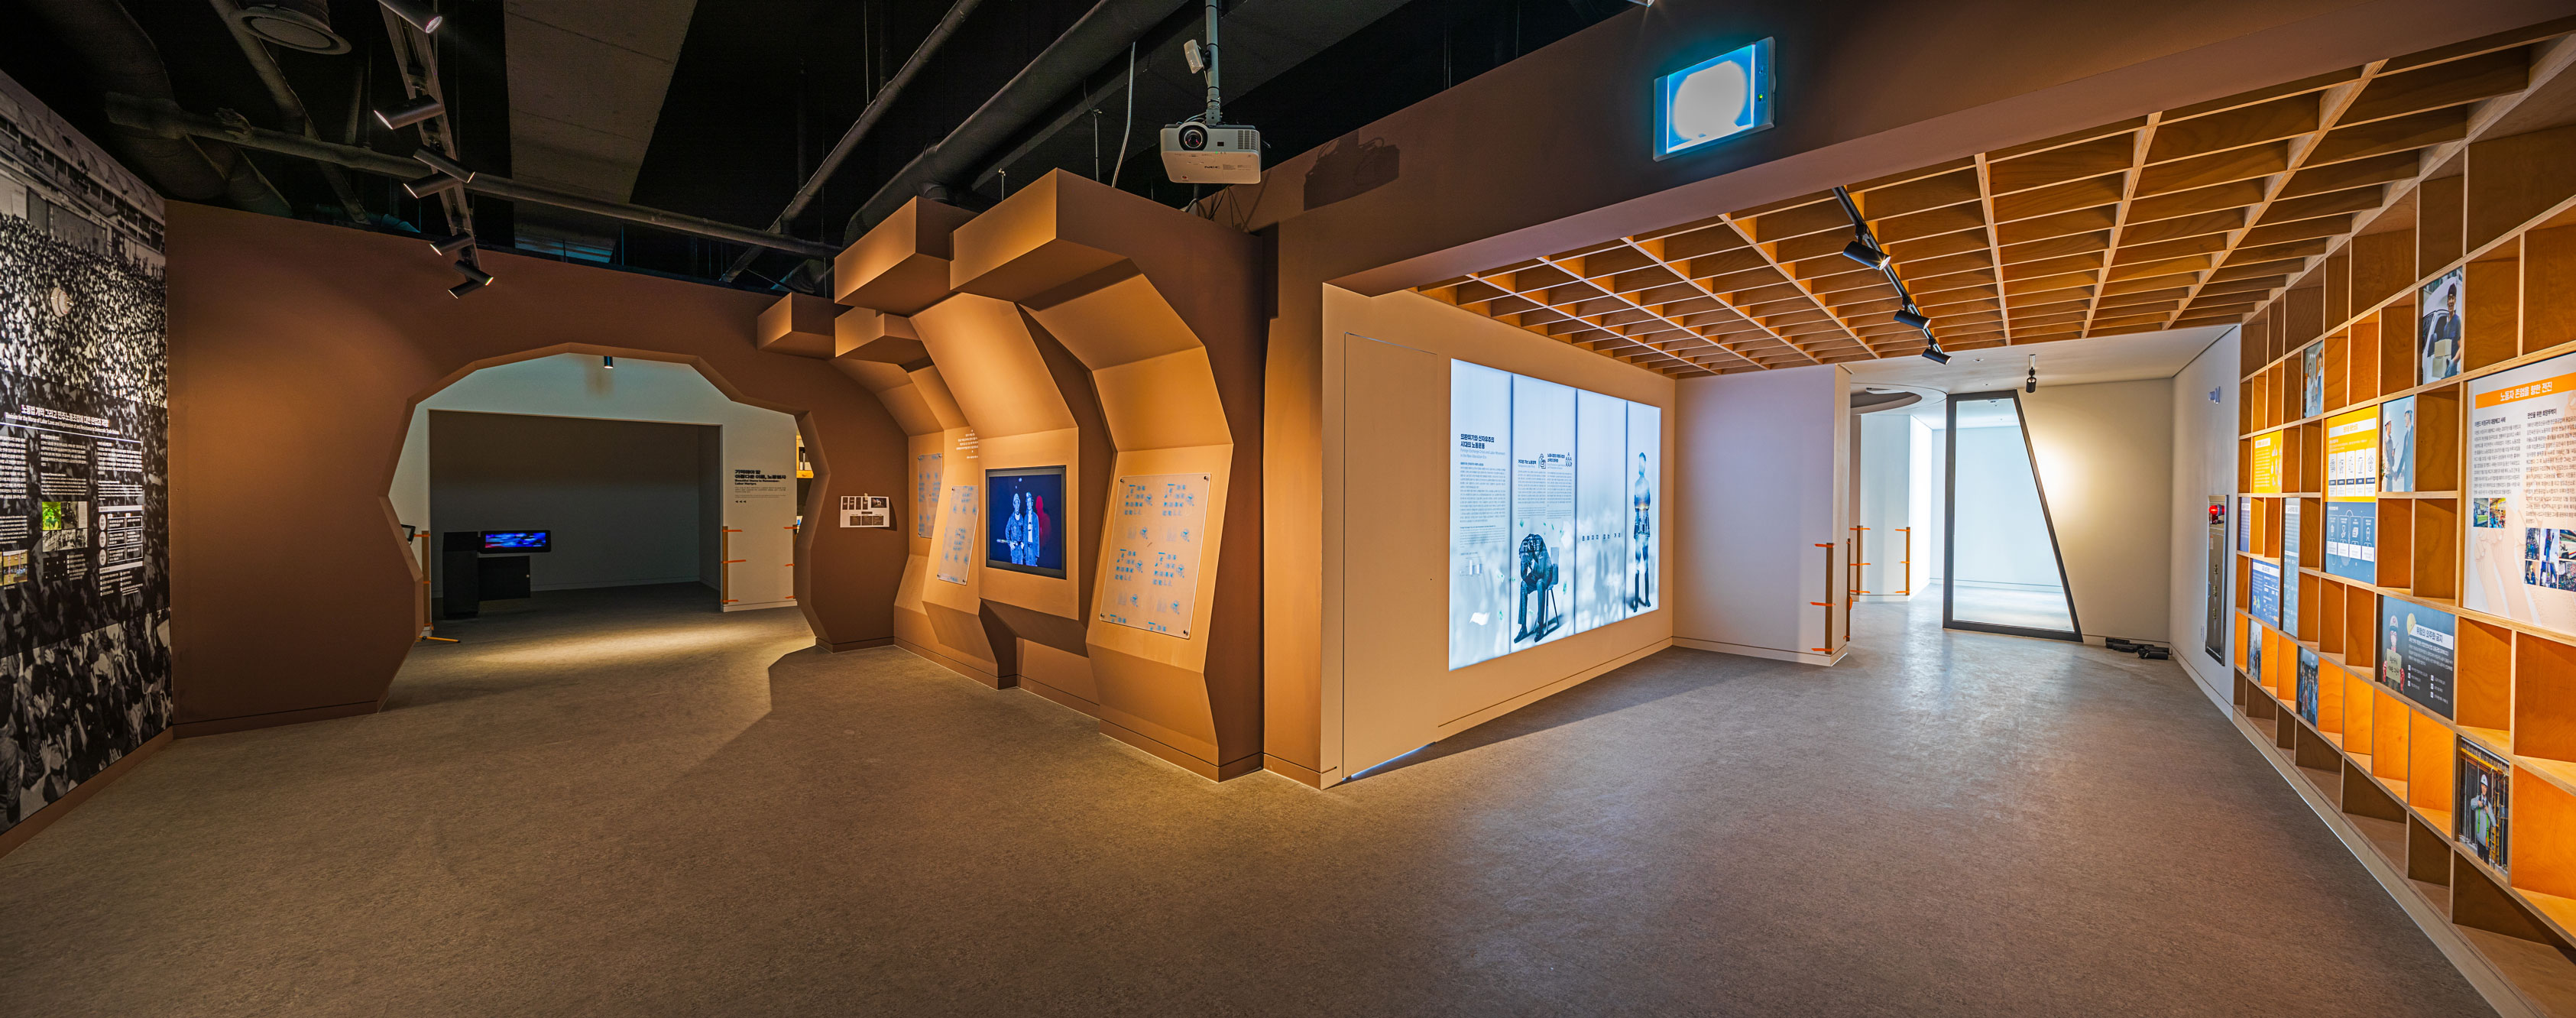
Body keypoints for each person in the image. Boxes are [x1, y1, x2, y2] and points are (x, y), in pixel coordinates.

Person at [2422, 279, 2463, 381]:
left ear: (2455, 301)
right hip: (2444, 370)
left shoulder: (2457, 321)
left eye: (2452, 299)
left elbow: (2461, 347)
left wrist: (2454, 361)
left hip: (2452, 370)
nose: (2450, 302)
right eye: (2449, 299)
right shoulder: (2446, 325)